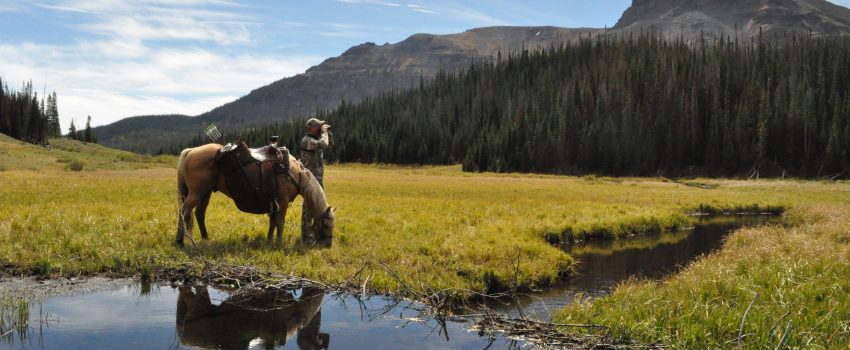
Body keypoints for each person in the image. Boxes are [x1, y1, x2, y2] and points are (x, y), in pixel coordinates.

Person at [300, 118, 332, 241]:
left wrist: (327, 133)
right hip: (310, 180)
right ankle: (305, 236)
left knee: (319, 207)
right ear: (311, 128)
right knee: (308, 207)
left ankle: (317, 233)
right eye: (317, 126)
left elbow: (330, 143)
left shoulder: (316, 139)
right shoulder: (307, 141)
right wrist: (324, 133)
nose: (320, 127)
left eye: (320, 126)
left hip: (318, 179)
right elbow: (324, 144)